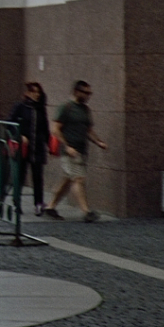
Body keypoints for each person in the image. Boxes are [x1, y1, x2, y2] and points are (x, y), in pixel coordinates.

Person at [46, 80, 105, 221]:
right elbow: (55, 129)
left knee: (67, 180)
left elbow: (88, 130)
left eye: (90, 93)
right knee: (79, 178)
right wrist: (67, 146)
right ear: (76, 92)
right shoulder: (66, 107)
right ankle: (86, 212)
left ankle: (50, 207)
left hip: (81, 150)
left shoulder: (85, 110)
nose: (88, 96)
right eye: (85, 93)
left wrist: (98, 142)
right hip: (69, 151)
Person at [10, 79, 50, 221]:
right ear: (27, 93)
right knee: (20, 175)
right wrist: (20, 136)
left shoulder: (40, 109)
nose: (36, 95)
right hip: (24, 147)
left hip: (37, 147)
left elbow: (45, 127)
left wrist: (48, 143)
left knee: (38, 176)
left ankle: (38, 203)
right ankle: (17, 201)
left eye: (38, 92)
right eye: (34, 92)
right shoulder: (20, 107)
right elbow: (11, 123)